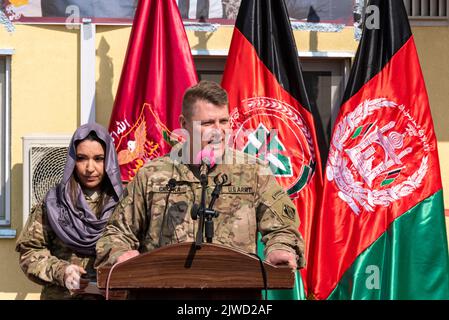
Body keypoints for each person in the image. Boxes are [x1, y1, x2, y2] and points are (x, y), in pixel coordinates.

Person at [95, 80, 305, 271]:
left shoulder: (254, 171)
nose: (218, 131)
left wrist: (280, 248)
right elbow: (116, 233)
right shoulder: (152, 174)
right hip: (164, 289)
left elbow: (283, 228)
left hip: (234, 293)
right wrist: (121, 254)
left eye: (223, 122)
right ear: (184, 124)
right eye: (207, 123)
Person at [16, 123, 123, 300]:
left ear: (109, 160)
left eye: (98, 158)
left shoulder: (126, 203)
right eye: (81, 158)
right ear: (72, 160)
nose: (90, 168)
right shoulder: (53, 202)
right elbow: (29, 251)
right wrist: (62, 272)